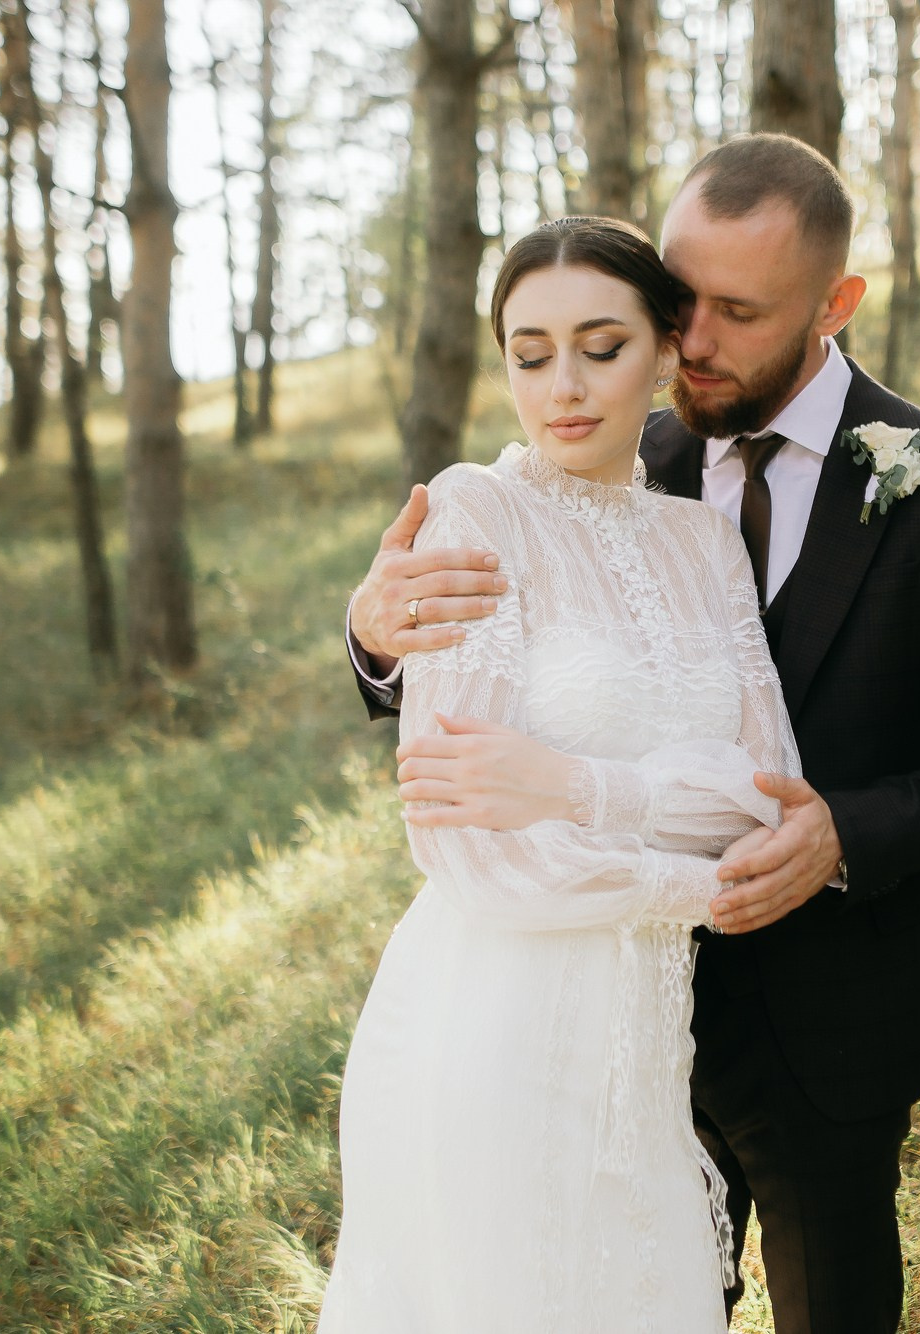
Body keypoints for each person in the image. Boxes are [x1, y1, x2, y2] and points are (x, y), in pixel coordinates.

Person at [345, 135, 920, 1333]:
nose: (692, 340)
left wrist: (844, 827)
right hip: (605, 1001)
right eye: (679, 301)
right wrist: (374, 635)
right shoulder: (630, 435)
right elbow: (484, 668)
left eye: (736, 311)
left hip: (831, 1002)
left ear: (833, 305)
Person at [315, 216, 800, 1331]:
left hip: (644, 1052)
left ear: (667, 351)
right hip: (486, 1035)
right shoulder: (476, 511)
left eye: (600, 346)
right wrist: (710, 887)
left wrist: (572, 788)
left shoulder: (702, 542)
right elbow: (472, 846)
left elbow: (768, 791)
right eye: (529, 355)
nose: (563, 386)